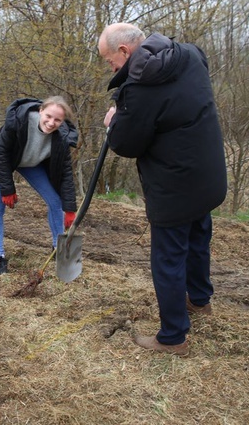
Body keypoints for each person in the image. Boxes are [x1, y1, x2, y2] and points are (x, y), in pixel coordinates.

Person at [98, 23, 227, 356]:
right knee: (199, 236)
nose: (110, 68)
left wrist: (114, 121)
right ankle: (199, 301)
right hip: (206, 173)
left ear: (124, 52)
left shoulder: (142, 86)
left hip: (174, 184)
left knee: (168, 259)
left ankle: (173, 337)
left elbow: (127, 143)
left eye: (109, 60)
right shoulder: (190, 55)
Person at [0, 96, 78, 275]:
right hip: (3, 161)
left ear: (63, 121)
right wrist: (8, 188)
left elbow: (66, 173)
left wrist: (70, 208)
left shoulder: (62, 138)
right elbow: (0, 152)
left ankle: (59, 250)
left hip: (31, 163)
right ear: (40, 111)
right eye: (48, 116)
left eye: (57, 120)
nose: (51, 123)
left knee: (55, 201)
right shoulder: (18, 121)